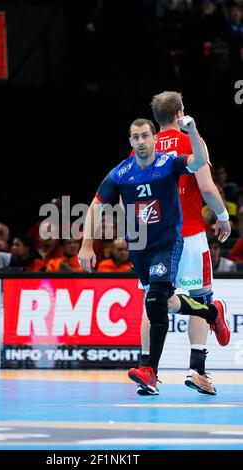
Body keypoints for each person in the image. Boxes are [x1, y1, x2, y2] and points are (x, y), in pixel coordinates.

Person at [78, 116, 230, 395]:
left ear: (154, 138)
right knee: (167, 303)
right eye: (135, 138)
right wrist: (87, 244)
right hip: (141, 247)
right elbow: (96, 205)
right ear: (130, 142)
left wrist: (194, 131)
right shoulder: (121, 173)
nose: (141, 142)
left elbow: (197, 162)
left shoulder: (167, 164)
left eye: (145, 136)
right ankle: (211, 311)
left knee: (156, 299)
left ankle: (149, 371)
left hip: (168, 242)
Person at [132, 91, 232, 396]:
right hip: (188, 234)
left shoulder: (143, 147)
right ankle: (197, 370)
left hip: (151, 238)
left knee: (153, 303)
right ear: (181, 112)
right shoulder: (192, 142)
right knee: (200, 298)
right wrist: (223, 216)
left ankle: (150, 371)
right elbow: (207, 187)